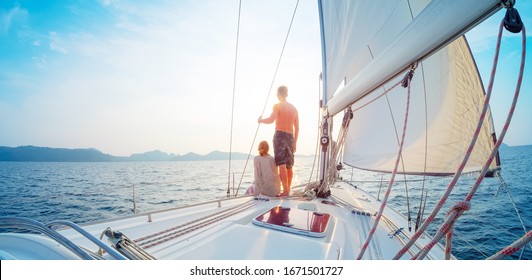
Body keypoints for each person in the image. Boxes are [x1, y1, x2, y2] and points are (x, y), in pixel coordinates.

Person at [258, 85, 299, 196]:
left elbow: (271, 119)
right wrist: (294, 142)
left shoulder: (277, 106)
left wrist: (260, 120)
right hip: (290, 137)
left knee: (281, 164)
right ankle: (288, 189)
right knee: (289, 165)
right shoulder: (294, 109)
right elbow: (297, 128)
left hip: (280, 135)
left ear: (278, 94)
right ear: (286, 94)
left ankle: (285, 191)